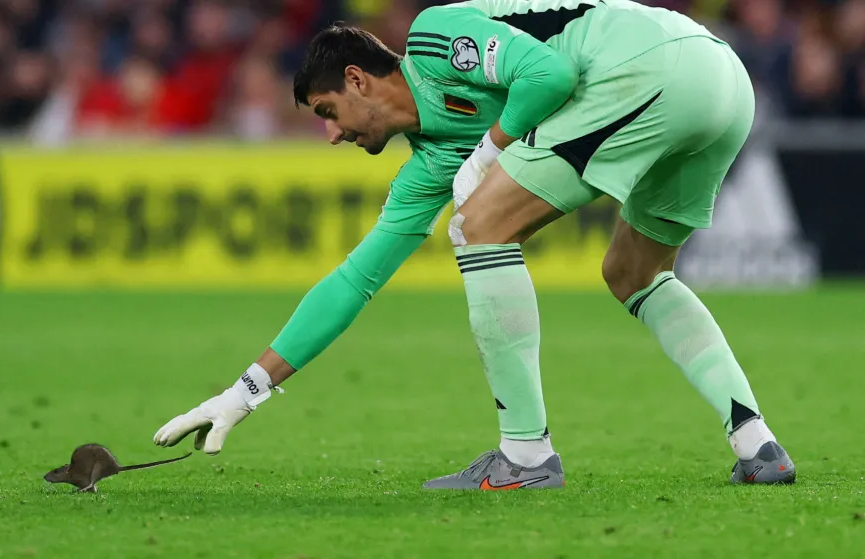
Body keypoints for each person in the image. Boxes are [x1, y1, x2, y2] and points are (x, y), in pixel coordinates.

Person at [154, 0, 796, 489]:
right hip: (723, 89)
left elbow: (546, 73)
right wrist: (245, 390)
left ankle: (524, 454)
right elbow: (356, 280)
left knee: (478, 226)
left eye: (327, 112)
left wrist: (490, 149)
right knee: (634, 271)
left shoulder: (436, 36)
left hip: (651, 66)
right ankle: (755, 440)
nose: (331, 134)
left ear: (357, 80)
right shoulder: (427, 165)